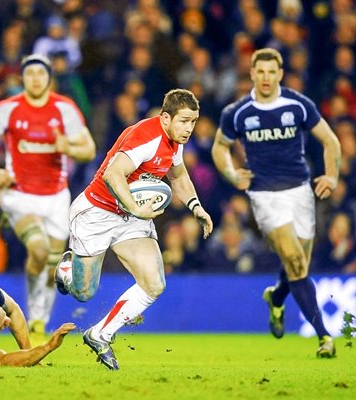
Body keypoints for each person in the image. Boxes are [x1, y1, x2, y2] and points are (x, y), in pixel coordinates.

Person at [55, 89, 214, 370]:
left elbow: (177, 174)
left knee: (154, 284)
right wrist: (137, 209)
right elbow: (112, 174)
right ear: (165, 118)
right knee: (83, 293)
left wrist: (196, 207)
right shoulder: (147, 136)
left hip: (130, 217)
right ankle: (68, 270)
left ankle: (100, 334)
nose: (189, 129)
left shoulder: (174, 140)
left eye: (193, 122)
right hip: (97, 212)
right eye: (184, 121)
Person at [211, 48, 341, 358]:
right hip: (265, 194)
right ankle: (325, 337)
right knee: (295, 261)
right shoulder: (238, 112)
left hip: (300, 191)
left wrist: (332, 176)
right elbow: (219, 148)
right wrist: (232, 174)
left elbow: (331, 141)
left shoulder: (297, 104)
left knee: (298, 265)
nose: (267, 78)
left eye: (272, 72)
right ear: (252, 74)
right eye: (261, 72)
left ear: (280, 74)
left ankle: (277, 298)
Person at [0, 54, 96, 336]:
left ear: (49, 78)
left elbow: (88, 148)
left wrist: (67, 147)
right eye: (30, 73)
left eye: (41, 73)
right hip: (20, 195)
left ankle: (40, 316)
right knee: (37, 249)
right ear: (22, 78)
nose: (35, 78)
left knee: (52, 263)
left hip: (56, 197)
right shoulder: (9, 108)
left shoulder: (64, 109)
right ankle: (32, 306)